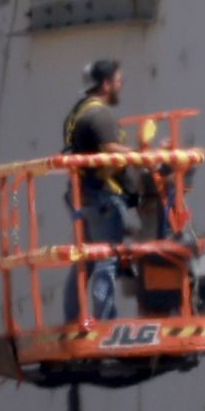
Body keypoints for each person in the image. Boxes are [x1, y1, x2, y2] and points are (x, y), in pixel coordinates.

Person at [62, 59, 134, 323]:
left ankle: (72, 317)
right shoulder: (99, 114)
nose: (120, 85)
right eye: (118, 81)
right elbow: (110, 148)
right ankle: (106, 321)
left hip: (82, 194)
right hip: (98, 196)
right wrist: (142, 155)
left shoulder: (79, 111)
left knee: (87, 259)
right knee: (106, 259)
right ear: (106, 84)